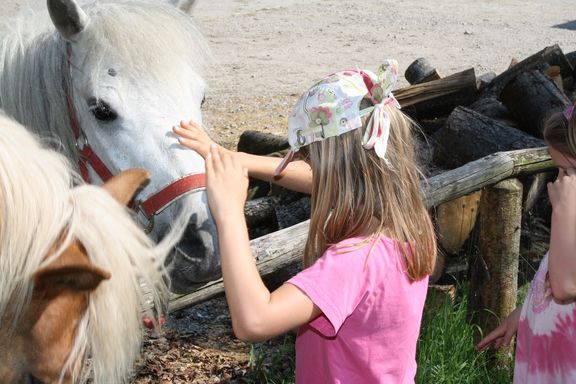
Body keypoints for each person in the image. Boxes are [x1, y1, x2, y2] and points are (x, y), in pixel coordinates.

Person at [174, 60, 437, 382]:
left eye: (309, 157)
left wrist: (229, 213)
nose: (308, 167)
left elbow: (254, 321)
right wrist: (234, 158)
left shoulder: (353, 260)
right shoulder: (411, 221)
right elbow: (330, 178)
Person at [476, 104, 576, 382]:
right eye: (557, 171)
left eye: (568, 172)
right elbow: (551, 278)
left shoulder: (568, 217)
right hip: (548, 360)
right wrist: (524, 315)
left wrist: (564, 214)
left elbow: (566, 287)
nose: (558, 183)